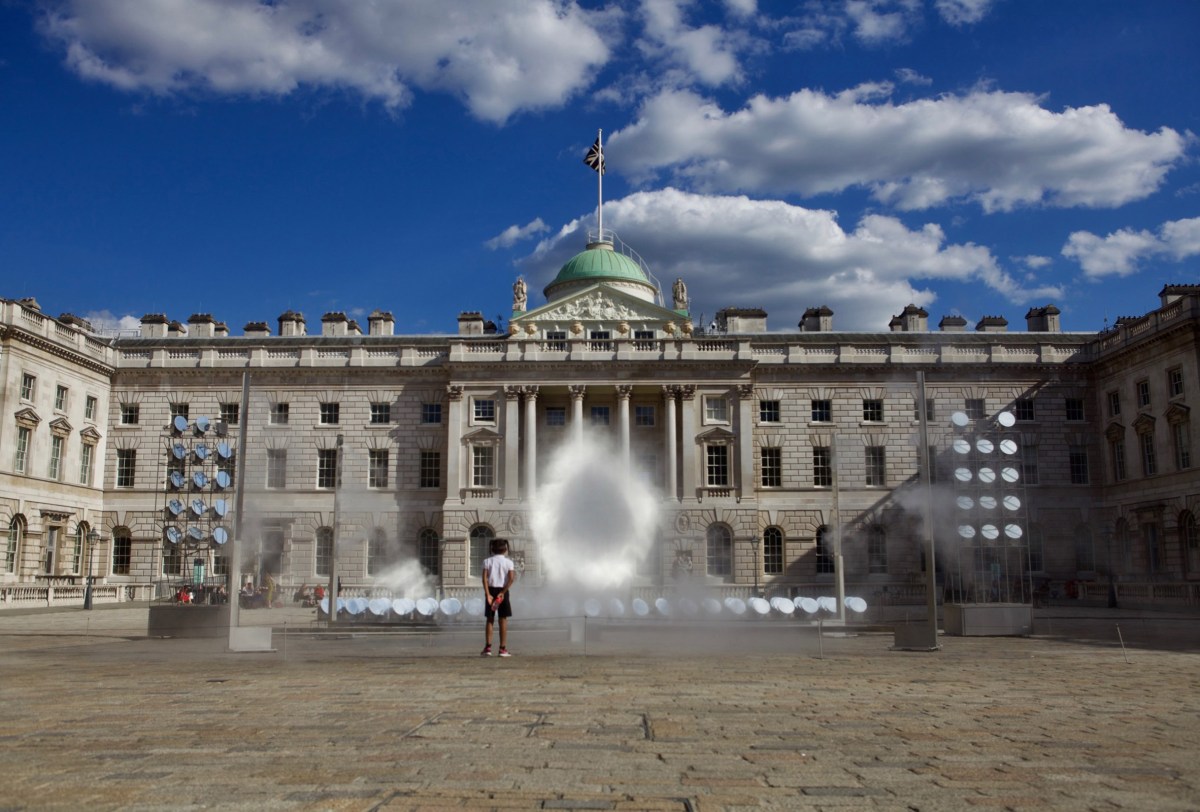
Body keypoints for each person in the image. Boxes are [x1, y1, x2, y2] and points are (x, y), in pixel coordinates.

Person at [481, 538, 516, 657]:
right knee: (503, 619)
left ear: (492, 549)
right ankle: (502, 648)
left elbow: (484, 579)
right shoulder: (509, 562)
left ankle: (488, 648)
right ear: (505, 549)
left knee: (490, 619)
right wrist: (503, 592)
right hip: (503, 591)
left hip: (491, 590)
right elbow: (511, 579)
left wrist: (488, 594)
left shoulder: (487, 561)